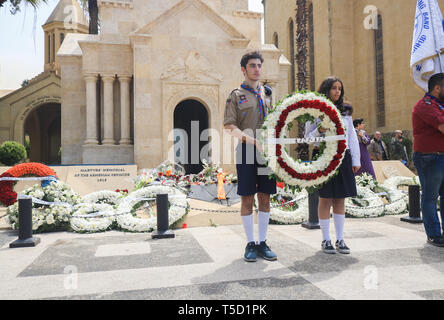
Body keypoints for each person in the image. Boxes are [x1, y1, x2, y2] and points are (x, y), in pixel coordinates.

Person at [224, 51, 277, 262]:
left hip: (266, 153)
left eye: (259, 65)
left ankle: (262, 242)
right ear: (243, 70)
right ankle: (250, 243)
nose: (256, 69)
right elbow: (229, 126)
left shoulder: (267, 94)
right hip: (246, 151)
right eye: (252, 65)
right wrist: (251, 140)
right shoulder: (235, 95)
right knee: (247, 197)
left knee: (265, 196)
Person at [307, 76, 360, 254]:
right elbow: (308, 138)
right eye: (334, 88)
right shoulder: (314, 111)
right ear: (326, 89)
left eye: (339, 88)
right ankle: (325, 239)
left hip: (342, 156)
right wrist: (319, 130)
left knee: (340, 198)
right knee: (326, 198)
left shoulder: (345, 112)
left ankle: (340, 239)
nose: (337, 91)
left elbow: (351, 136)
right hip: (323, 157)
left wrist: (356, 160)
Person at [412, 73, 444, 247]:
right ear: (437, 88)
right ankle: (434, 234)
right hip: (430, 157)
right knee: (431, 197)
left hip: (441, 156)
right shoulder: (425, 105)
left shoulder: (440, 105)